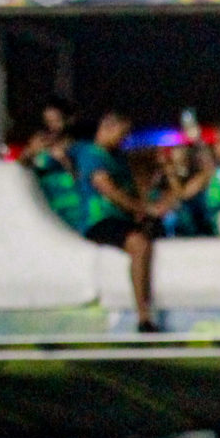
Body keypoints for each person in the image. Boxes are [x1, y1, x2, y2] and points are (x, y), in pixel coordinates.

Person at [69, 111, 161, 331]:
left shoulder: (119, 157)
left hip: (122, 218)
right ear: (107, 128)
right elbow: (108, 189)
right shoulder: (91, 154)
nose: (124, 139)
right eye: (122, 134)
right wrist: (139, 208)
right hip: (100, 220)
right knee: (138, 244)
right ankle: (143, 316)